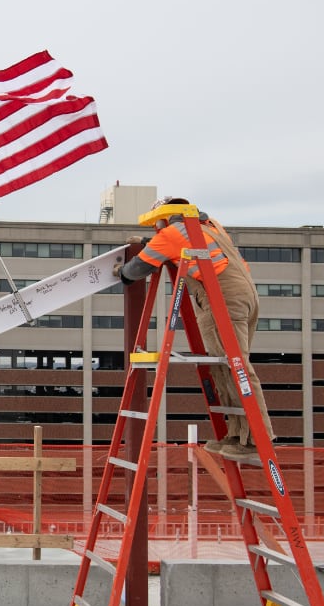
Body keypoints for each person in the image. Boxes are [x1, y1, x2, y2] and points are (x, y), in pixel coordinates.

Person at [114, 197, 275, 462]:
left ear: (165, 218)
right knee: (227, 366)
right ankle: (239, 435)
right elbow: (181, 250)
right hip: (243, 295)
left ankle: (257, 440)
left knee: (236, 368)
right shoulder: (209, 225)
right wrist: (154, 245)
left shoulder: (173, 233)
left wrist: (121, 271)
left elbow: (136, 269)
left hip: (220, 299)